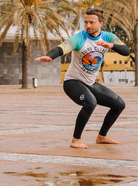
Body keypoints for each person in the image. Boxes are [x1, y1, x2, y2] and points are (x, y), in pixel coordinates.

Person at [35, 8, 129, 149]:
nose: (88, 26)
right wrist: (50, 56)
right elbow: (61, 48)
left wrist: (112, 45)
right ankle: (75, 140)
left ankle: (101, 136)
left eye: (92, 22)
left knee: (119, 104)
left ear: (101, 23)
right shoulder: (79, 38)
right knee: (90, 103)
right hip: (73, 82)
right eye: (86, 22)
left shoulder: (108, 37)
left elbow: (126, 51)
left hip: (90, 83)